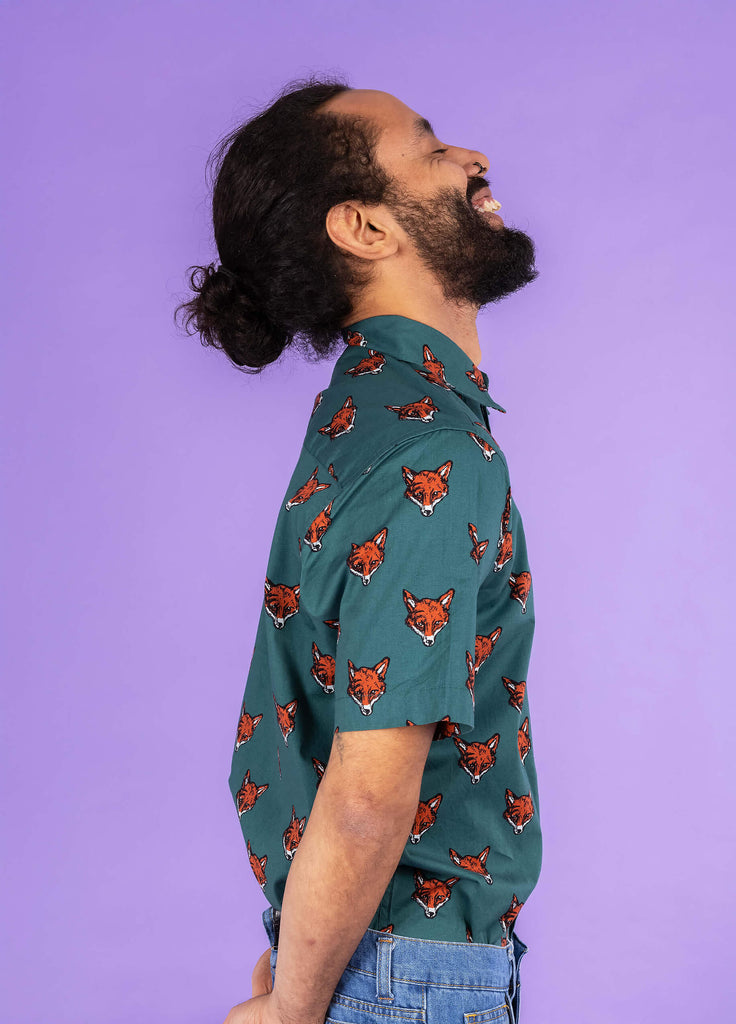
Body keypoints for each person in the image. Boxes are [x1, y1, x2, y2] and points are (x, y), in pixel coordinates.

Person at [176, 75, 542, 1024]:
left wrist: (303, 965)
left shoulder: (363, 415)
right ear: (366, 230)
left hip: (363, 961)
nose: (473, 158)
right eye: (430, 148)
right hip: (407, 977)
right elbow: (370, 789)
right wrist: (297, 1008)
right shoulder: (429, 447)